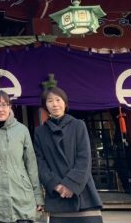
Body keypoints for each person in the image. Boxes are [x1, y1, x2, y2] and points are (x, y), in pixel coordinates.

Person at [33, 87, 103, 223]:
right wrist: (55, 185)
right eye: (50, 101)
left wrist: (70, 184)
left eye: (58, 100)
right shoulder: (40, 132)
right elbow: (40, 162)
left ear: (65, 103)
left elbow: (84, 158)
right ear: (45, 105)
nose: (55, 104)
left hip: (82, 192)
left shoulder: (78, 125)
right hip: (57, 195)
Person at [0, 90, 44, 223]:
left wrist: (38, 196)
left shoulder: (21, 130)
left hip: (21, 195)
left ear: (10, 107)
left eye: (4, 105)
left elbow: (31, 164)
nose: (0, 109)